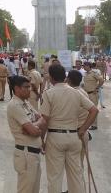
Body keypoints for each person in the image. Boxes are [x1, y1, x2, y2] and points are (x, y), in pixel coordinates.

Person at [40, 64, 99, 193]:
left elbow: (45, 120)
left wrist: (42, 140)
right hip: (74, 136)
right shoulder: (76, 92)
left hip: (55, 137)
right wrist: (83, 129)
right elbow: (94, 110)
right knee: (76, 175)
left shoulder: (48, 94)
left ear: (51, 77)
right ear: (64, 77)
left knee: (55, 177)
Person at [7, 76, 46, 193]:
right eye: (26, 87)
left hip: (33, 152)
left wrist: (33, 126)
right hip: (26, 154)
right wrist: (34, 128)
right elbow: (35, 130)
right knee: (26, 189)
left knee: (34, 189)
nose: (30, 89)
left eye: (29, 86)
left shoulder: (26, 103)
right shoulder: (15, 105)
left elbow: (43, 120)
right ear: (17, 89)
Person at [82, 62, 103, 130]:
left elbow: (101, 80)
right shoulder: (85, 74)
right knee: (87, 110)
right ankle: (89, 124)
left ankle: (94, 125)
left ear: (89, 66)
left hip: (93, 94)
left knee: (94, 110)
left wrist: (97, 88)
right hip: (86, 94)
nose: (84, 67)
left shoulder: (94, 73)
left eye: (85, 66)